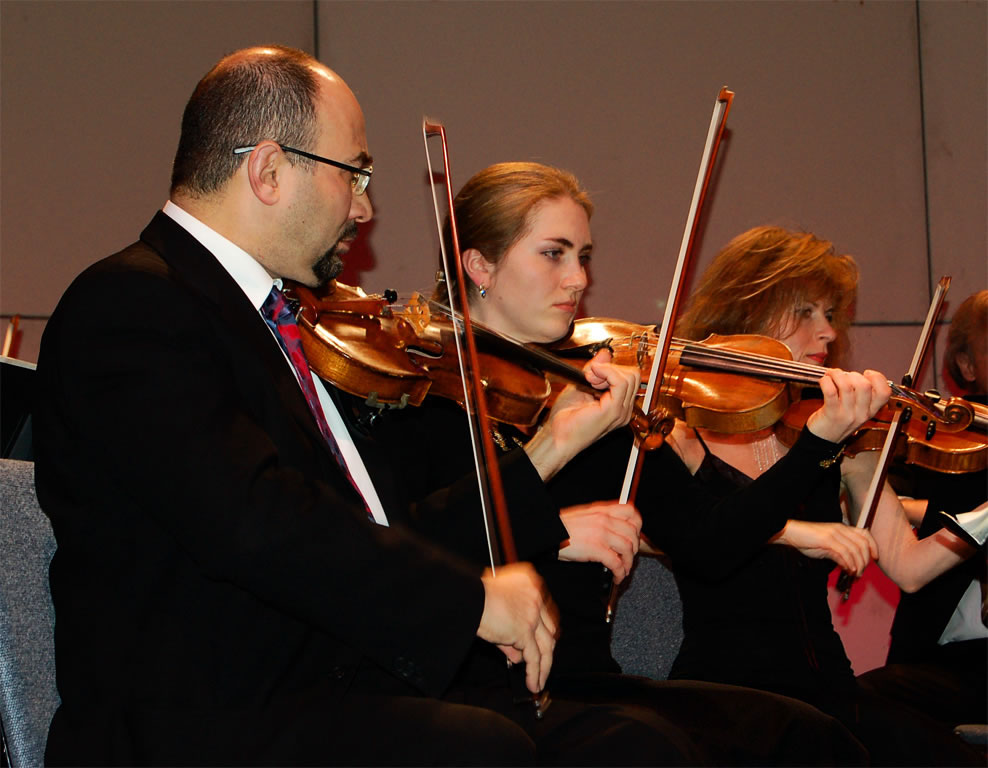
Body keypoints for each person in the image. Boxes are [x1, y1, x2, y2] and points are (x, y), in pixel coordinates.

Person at [32, 46, 681, 766]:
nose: (366, 208)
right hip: (199, 725)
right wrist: (467, 601)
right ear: (269, 171)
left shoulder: (285, 323)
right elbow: (256, 520)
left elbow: (382, 531)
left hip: (322, 697)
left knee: (635, 746)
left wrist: (540, 465)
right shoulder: (132, 304)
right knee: (487, 748)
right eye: (355, 174)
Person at [355, 162, 883, 765]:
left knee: (805, 736)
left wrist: (817, 443)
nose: (578, 278)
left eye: (583, 256)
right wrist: (553, 531)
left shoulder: (590, 396)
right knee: (649, 750)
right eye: (553, 254)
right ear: (480, 266)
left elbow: (713, 545)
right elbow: (401, 551)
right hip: (472, 693)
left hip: (585, 686)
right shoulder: (415, 395)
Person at [662, 226, 982, 765]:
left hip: (830, 694)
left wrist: (984, 519)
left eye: (830, 314)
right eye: (805, 311)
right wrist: (792, 532)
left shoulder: (842, 437)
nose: (828, 331)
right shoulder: (684, 429)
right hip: (727, 699)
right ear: (748, 308)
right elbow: (671, 537)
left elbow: (909, 568)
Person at [857, 289, 987, 734]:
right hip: (948, 659)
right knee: (870, 703)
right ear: (967, 365)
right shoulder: (950, 437)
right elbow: (882, 494)